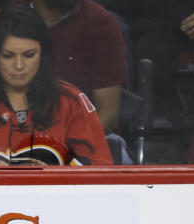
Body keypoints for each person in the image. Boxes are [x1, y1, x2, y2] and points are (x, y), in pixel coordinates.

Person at [0, 5, 112, 165]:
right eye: (8, 56)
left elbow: (100, 173)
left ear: (43, 54)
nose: (19, 65)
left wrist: (52, 177)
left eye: (29, 55)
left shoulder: (71, 102)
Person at [24, 0, 127, 135]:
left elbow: (108, 116)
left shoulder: (99, 22)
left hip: (85, 138)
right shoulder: (6, 21)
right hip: (17, 139)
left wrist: (63, 149)